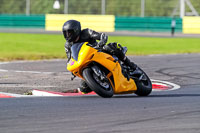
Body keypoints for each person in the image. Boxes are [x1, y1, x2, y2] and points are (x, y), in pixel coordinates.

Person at [63, 20, 137, 93]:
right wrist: (72, 70)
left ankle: (130, 65)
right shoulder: (68, 45)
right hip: (85, 60)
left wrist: (101, 40)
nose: (67, 35)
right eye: (65, 33)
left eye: (69, 32)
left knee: (111, 47)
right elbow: (70, 58)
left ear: (76, 30)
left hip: (98, 51)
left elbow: (101, 35)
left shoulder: (86, 32)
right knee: (84, 88)